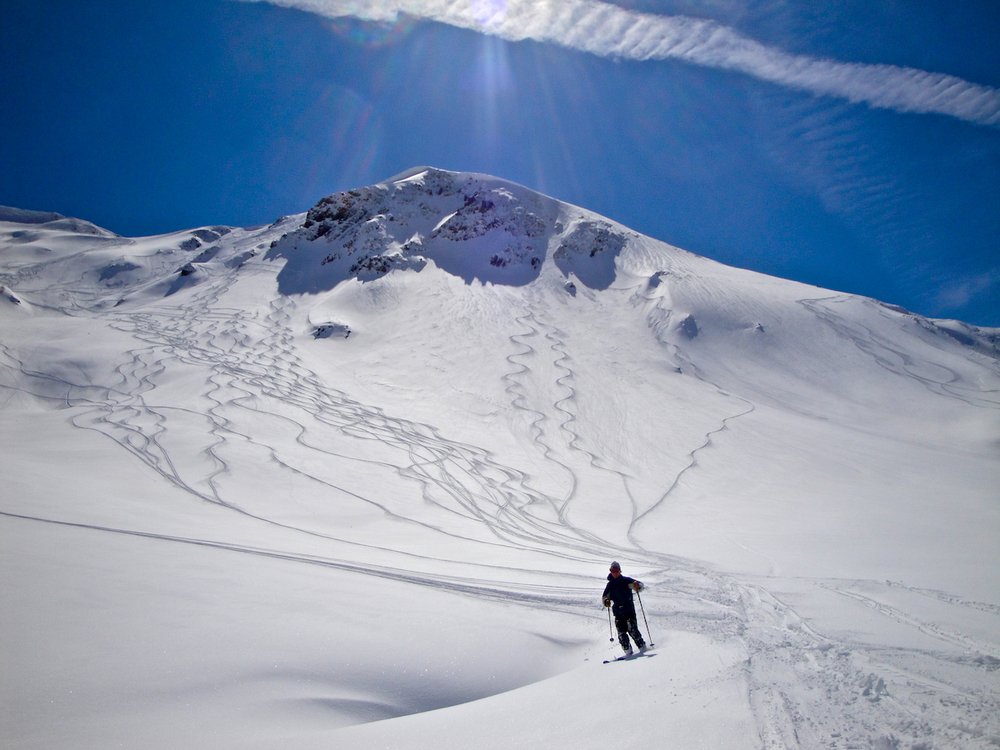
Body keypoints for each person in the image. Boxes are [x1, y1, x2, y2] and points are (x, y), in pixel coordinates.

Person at [602, 561, 646, 655]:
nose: (614, 572)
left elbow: (640, 586)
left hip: (629, 610)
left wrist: (637, 585)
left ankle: (642, 647)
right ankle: (628, 652)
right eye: (612, 570)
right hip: (618, 612)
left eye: (616, 570)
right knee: (621, 634)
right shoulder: (610, 585)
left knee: (632, 629)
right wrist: (606, 601)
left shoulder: (626, 581)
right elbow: (605, 597)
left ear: (620, 571)